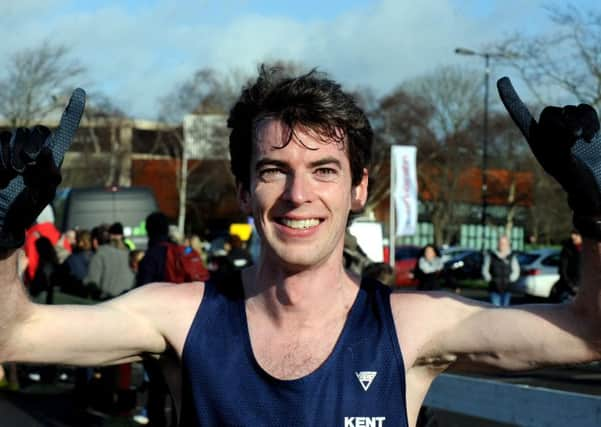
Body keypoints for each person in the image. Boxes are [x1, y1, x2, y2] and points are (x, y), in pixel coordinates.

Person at [0, 70, 600, 427]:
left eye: (324, 169)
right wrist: (1, 237)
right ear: (242, 189)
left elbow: (589, 332)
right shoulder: (179, 317)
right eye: (272, 170)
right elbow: (13, 337)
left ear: (361, 188)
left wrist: (596, 213)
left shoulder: (413, 326)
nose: (298, 195)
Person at [84, 224, 135, 300]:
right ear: (122, 236)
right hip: (125, 302)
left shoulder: (101, 253)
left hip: (105, 302)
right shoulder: (130, 255)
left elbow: (92, 281)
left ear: (109, 235)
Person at [481, 235, 520, 306]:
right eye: (501, 243)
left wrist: (511, 279)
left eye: (504, 243)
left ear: (508, 244)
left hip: (507, 288)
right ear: (498, 243)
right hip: (494, 288)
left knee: (505, 310)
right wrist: (489, 279)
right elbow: (485, 269)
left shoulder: (511, 256)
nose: (502, 245)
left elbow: (516, 270)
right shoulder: (491, 255)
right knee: (495, 310)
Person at [552, 229, 582, 302]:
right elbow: (562, 269)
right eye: (572, 234)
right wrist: (571, 286)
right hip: (570, 287)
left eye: (576, 235)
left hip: (584, 286)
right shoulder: (567, 249)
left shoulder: (588, 249)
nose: (573, 236)